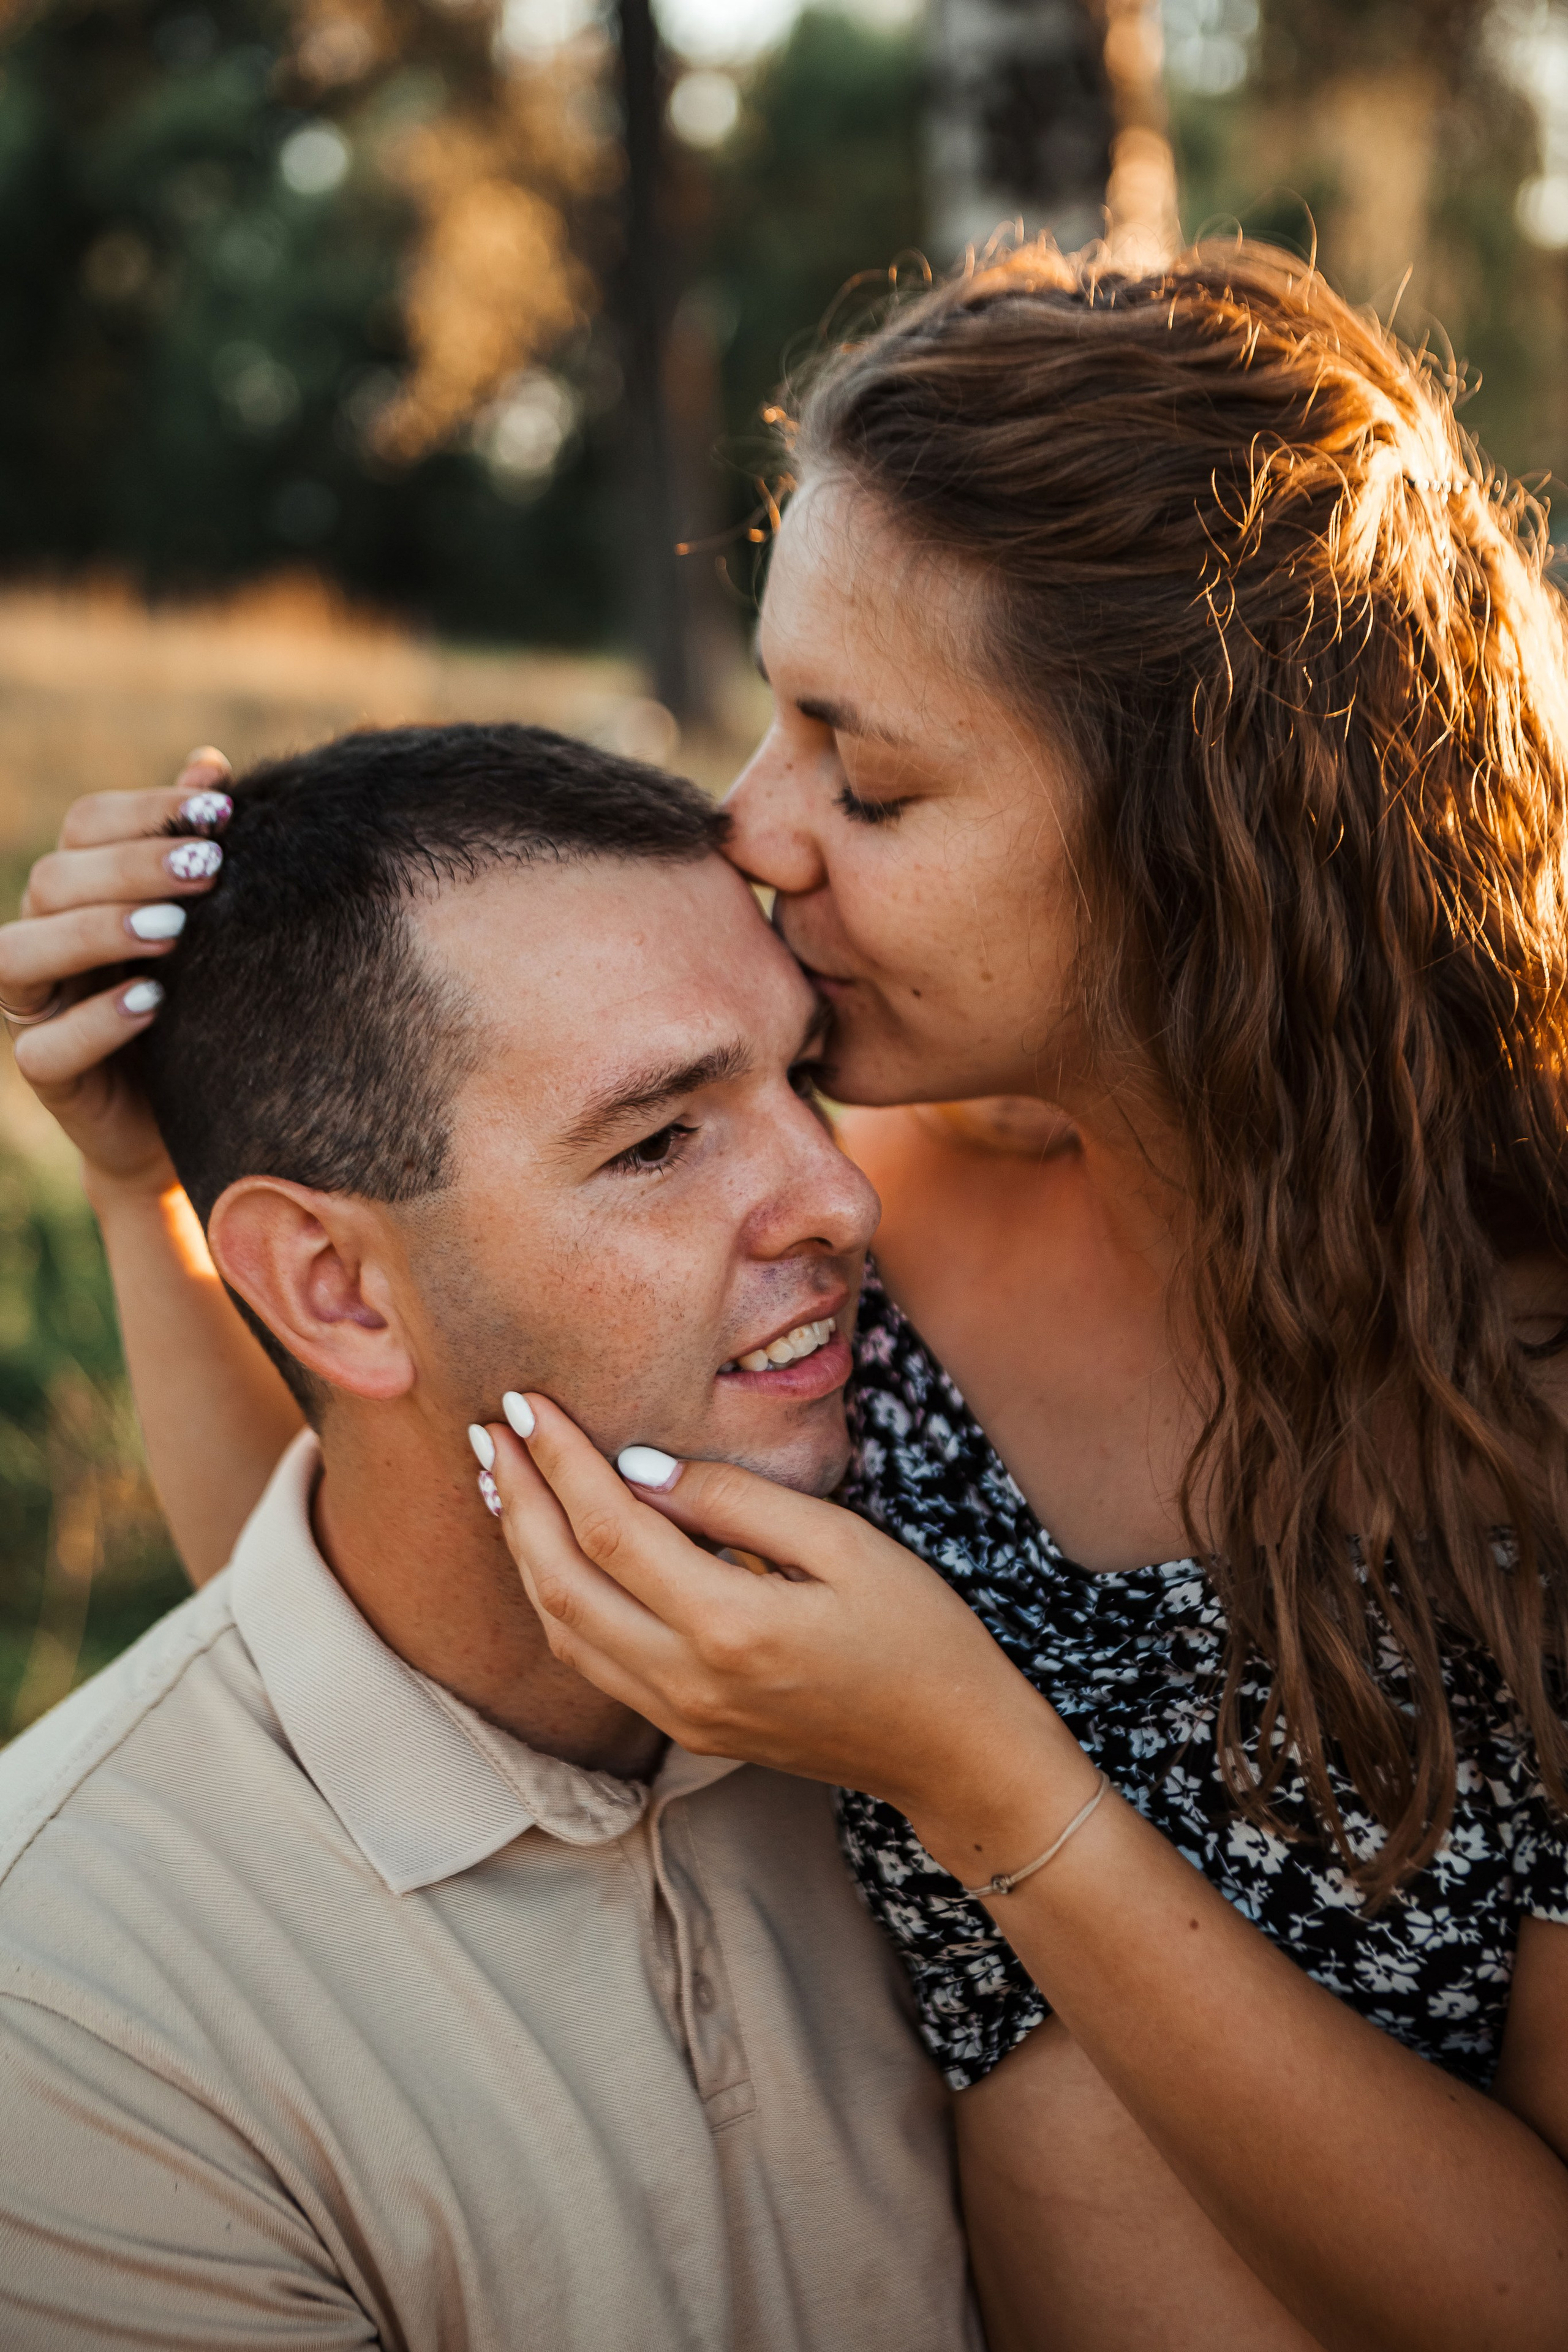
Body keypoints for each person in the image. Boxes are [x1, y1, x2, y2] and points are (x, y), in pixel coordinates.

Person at [7, 236, 1568, 2351]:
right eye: (773, 713)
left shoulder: (1526, 1384)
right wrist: (147, 1188)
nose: (755, 824)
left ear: (1206, 833)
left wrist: (990, 1786)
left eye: (869, 771)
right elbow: (409, 1599)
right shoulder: (824, 1188)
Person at [0, 724, 979, 2351]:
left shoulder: (933, 1609)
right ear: (332, 1288)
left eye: (799, 1078)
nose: (838, 1202)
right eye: (659, 1141)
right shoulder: (75, 2008)